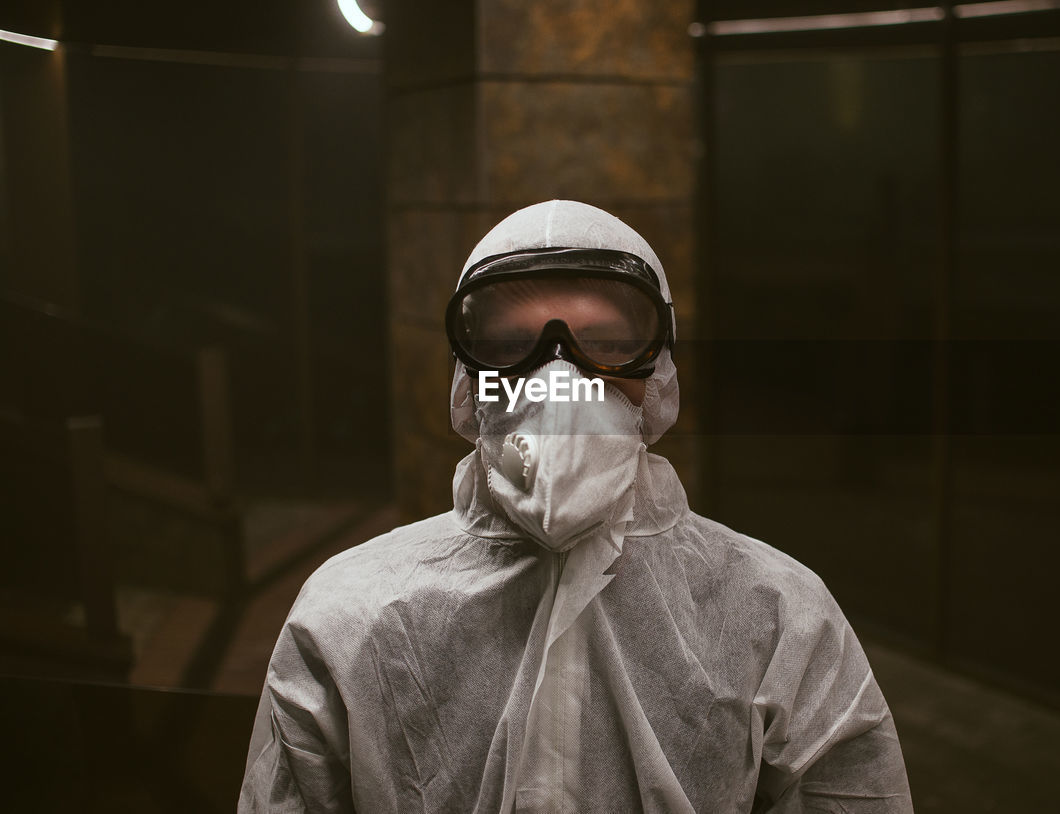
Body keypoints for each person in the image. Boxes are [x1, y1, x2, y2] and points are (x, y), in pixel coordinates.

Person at [238, 200, 913, 813]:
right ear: (469, 382)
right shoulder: (347, 617)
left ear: (659, 377)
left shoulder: (777, 615)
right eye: (511, 347)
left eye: (609, 345)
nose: (558, 379)